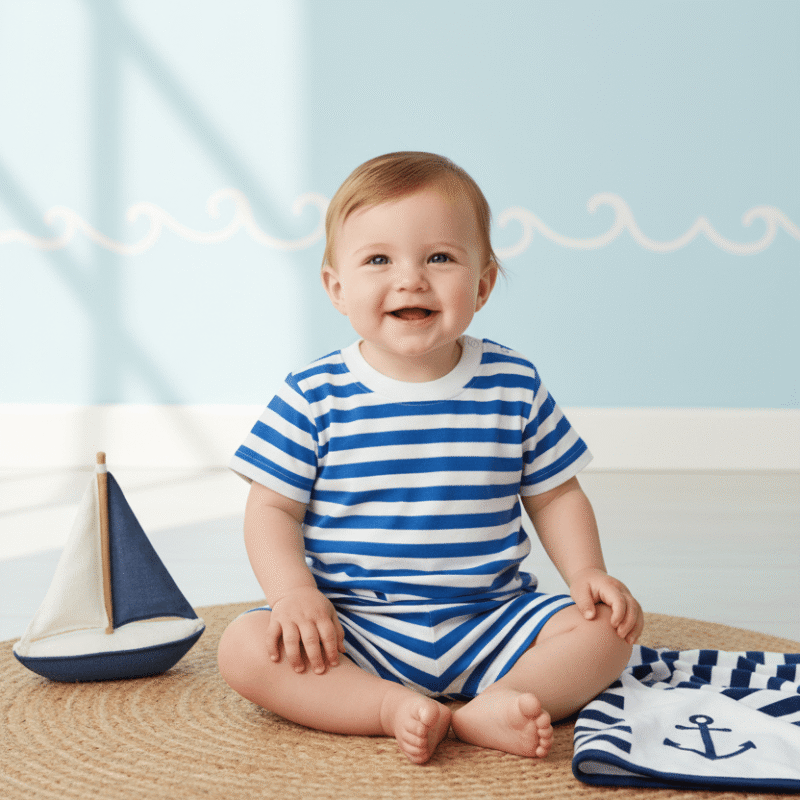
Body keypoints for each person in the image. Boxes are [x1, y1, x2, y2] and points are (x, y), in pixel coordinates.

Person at [218, 151, 644, 764]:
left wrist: (586, 576)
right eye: (378, 260)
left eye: (439, 258)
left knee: (609, 631)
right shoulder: (313, 395)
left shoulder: (512, 384)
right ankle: (386, 706)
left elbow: (555, 495)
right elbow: (271, 511)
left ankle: (502, 700)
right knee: (245, 645)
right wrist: (292, 594)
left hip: (493, 619)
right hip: (357, 627)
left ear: (483, 283)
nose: (411, 279)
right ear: (337, 288)